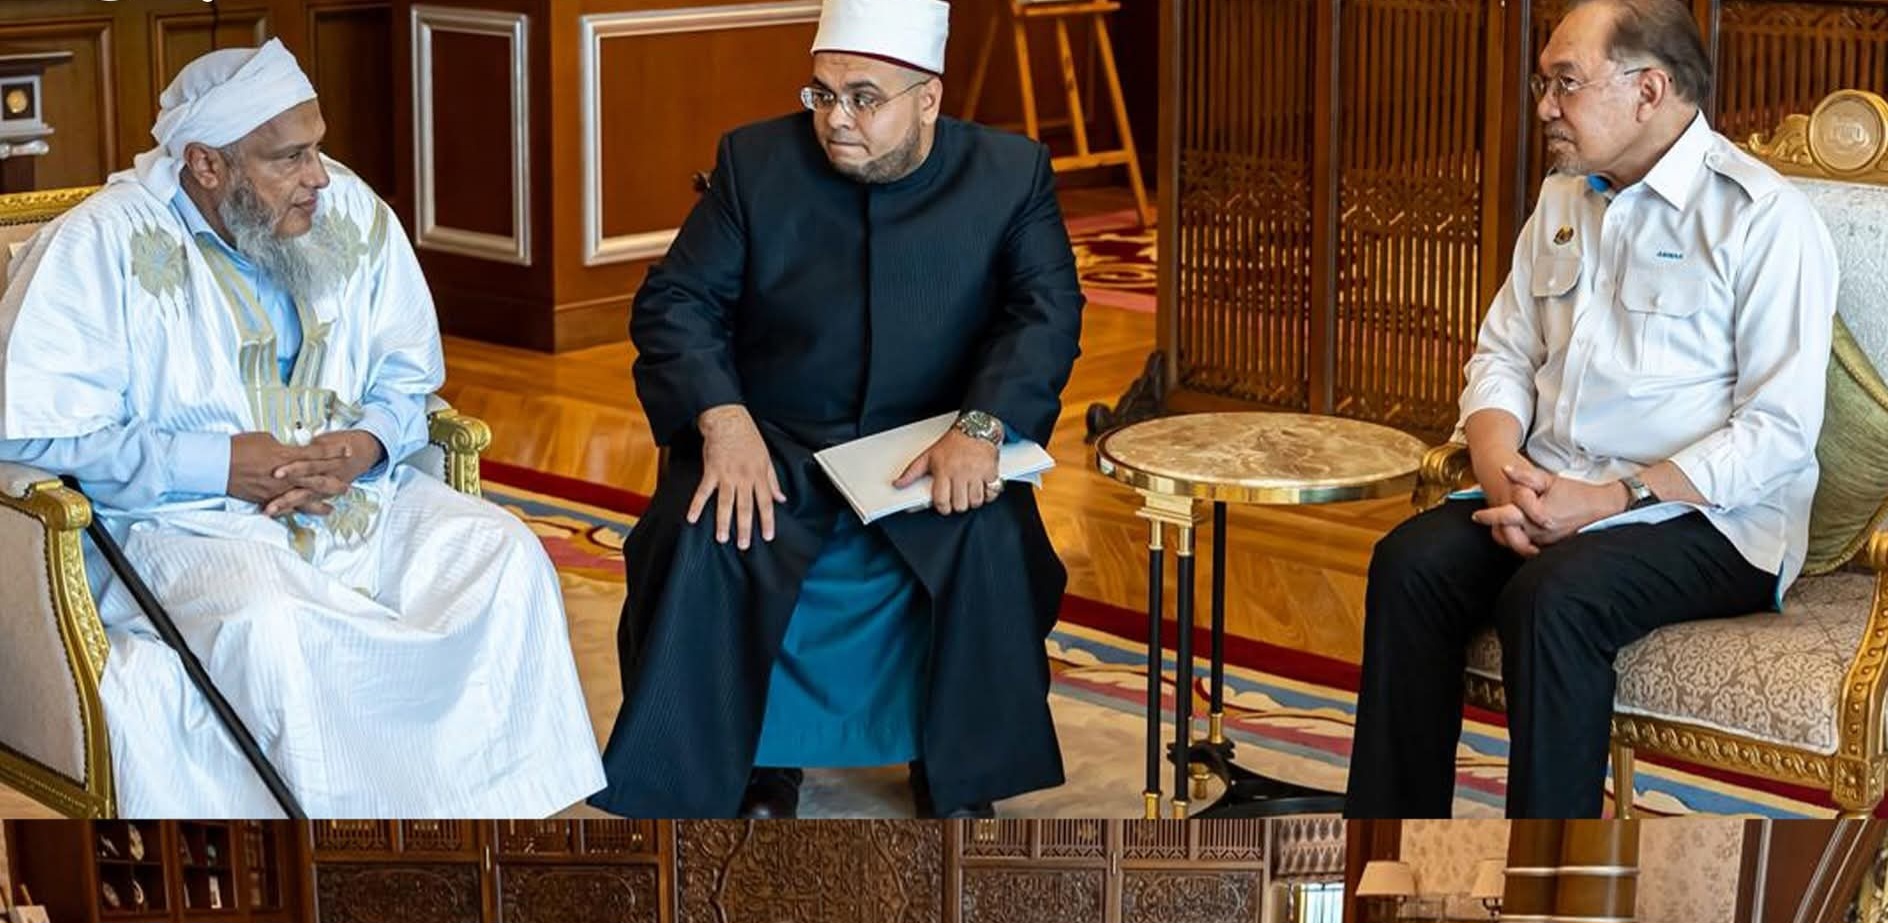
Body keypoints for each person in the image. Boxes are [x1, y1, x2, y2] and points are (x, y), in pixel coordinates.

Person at [0, 40, 605, 816]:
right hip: (189, 523)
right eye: (289, 157)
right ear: (206, 164)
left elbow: (406, 375)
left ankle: (497, 820)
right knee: (275, 626)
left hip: (357, 499)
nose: (319, 175)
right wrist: (217, 463)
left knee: (504, 556)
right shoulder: (101, 244)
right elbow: (35, 432)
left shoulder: (345, 210)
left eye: (317, 146)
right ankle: (338, 847)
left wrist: (370, 442)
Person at [588, 0, 1085, 819]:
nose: (835, 119)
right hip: (776, 435)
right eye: (821, 94)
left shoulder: (1009, 174)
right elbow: (676, 301)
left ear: (927, 99)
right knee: (716, 526)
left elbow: (1046, 313)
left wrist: (982, 426)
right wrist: (723, 419)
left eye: (863, 98)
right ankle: (755, 761)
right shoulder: (755, 162)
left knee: (985, 533)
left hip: (931, 439)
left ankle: (954, 770)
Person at [1344, 0, 1838, 818]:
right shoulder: (1564, 198)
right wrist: (1503, 477)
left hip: (1708, 519)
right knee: (1409, 563)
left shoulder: (1761, 218)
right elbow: (1503, 354)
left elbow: (1778, 431)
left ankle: (1550, 875)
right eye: (1544, 83)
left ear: (1649, 91)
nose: (1544, 107)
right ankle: (1389, 857)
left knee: (1552, 597)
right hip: (1550, 488)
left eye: (1565, 83)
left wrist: (1610, 499)